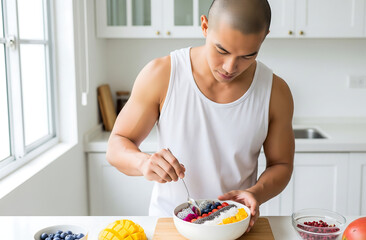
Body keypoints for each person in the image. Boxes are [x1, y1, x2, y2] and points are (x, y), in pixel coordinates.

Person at [106, 0, 295, 231]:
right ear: (204, 26)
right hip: (170, 225)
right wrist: (143, 162)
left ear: (264, 37)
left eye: (247, 55)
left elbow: (282, 164)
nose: (229, 67)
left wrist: (255, 193)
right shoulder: (162, 74)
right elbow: (116, 145)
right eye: (222, 50)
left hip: (234, 226)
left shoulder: (276, 92)